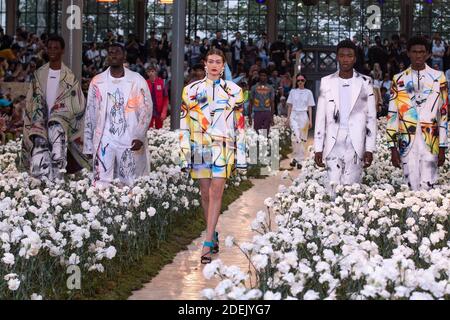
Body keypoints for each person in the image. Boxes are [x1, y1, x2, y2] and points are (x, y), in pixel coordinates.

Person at [179, 48, 246, 264]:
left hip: (223, 147)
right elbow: (184, 123)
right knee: (205, 194)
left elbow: (240, 124)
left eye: (219, 61)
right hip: (198, 146)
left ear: (224, 65)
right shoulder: (189, 91)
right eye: (211, 61)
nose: (215, 65)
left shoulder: (235, 91)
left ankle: (207, 242)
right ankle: (212, 231)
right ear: (205, 64)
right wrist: (183, 154)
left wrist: (241, 155)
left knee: (216, 192)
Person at [21, 34, 89, 182]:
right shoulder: (38, 75)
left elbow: (78, 105)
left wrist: (62, 116)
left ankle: (55, 192)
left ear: (62, 50)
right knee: (39, 160)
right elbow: (30, 102)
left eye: (56, 48)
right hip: (40, 125)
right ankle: (39, 195)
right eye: (49, 47)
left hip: (60, 127)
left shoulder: (70, 78)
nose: (52, 50)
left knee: (58, 159)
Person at [84, 43, 153, 188]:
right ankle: (102, 209)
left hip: (129, 138)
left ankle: (129, 210)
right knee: (101, 182)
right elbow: (90, 113)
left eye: (117, 52)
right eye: (110, 52)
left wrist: (139, 135)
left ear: (124, 56)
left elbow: (146, 109)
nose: (113, 55)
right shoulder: (97, 81)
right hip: (104, 140)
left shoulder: (137, 80)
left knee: (129, 182)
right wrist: (89, 145)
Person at [314, 39, 377, 195]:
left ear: (355, 58)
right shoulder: (326, 82)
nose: (345, 59)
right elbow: (320, 116)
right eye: (342, 55)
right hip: (332, 143)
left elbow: (371, 117)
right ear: (337, 57)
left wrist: (369, 148)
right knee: (332, 189)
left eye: (349, 56)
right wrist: (317, 148)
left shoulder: (365, 82)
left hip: (356, 143)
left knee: (352, 191)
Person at [387, 36, 448, 191]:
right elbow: (392, 114)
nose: (418, 55)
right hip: (406, 141)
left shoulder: (439, 77)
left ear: (428, 54)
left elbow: (444, 113)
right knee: (410, 187)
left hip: (431, 140)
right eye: (414, 52)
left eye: (422, 52)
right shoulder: (398, 79)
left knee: (429, 186)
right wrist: (392, 147)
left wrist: (442, 145)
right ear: (408, 53)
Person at [287, 74, 315, 169]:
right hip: (294, 115)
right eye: (298, 80)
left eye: (302, 80)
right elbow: (290, 105)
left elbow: (310, 107)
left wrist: (310, 120)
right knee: (294, 137)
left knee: (302, 138)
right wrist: (288, 118)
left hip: (304, 115)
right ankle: (295, 157)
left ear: (305, 81)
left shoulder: (308, 92)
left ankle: (300, 160)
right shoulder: (292, 92)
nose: (300, 82)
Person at [248, 69, 275, 135]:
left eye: (264, 76)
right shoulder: (253, 87)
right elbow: (251, 102)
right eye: (261, 75)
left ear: (267, 77)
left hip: (267, 112)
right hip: (257, 112)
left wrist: (272, 117)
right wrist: (250, 117)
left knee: (265, 133)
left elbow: (272, 103)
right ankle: (257, 145)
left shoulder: (271, 88)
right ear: (259, 76)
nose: (263, 77)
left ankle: (264, 145)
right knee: (257, 132)